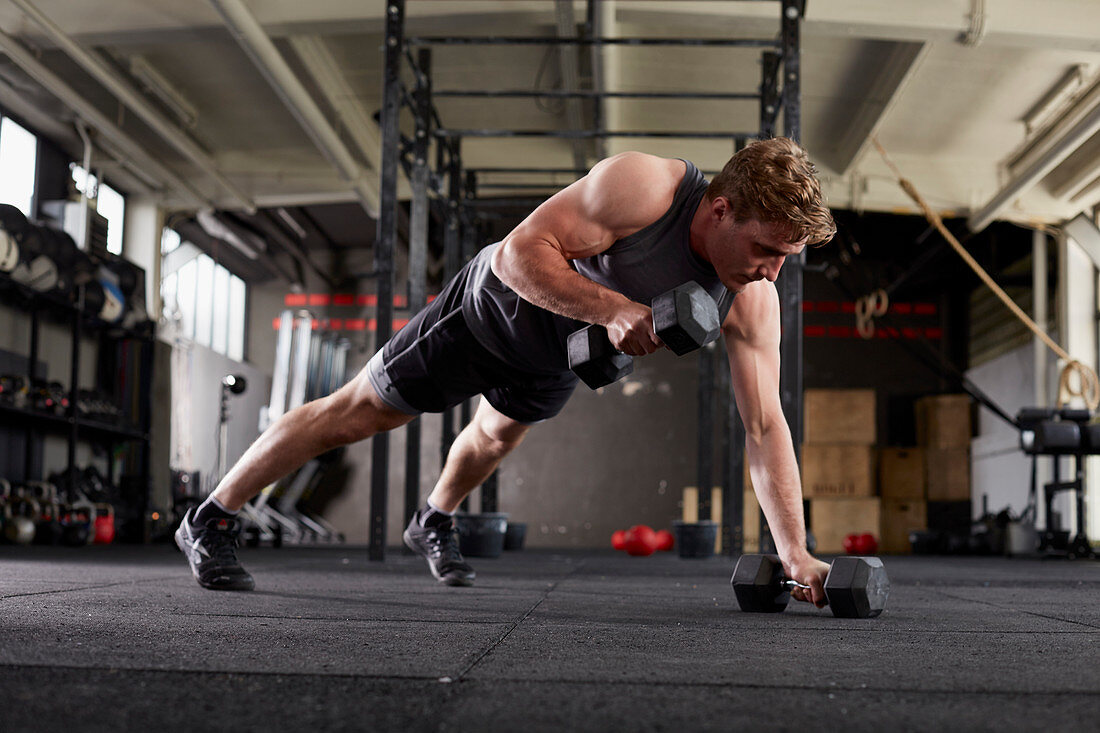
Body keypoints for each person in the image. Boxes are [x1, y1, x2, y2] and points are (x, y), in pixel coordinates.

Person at [175, 137, 837, 608]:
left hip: (557, 354)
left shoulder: (750, 297)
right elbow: (518, 257)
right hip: (493, 310)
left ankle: (432, 518)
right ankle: (210, 515)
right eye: (766, 250)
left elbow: (764, 425)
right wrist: (611, 309)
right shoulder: (644, 187)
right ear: (721, 209)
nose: (772, 271)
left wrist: (796, 551)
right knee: (360, 412)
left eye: (787, 259)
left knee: (494, 437)